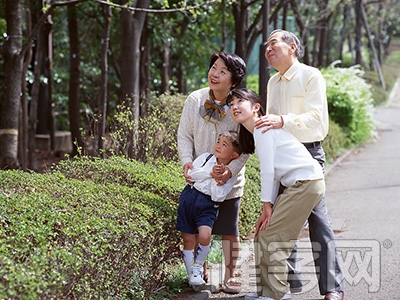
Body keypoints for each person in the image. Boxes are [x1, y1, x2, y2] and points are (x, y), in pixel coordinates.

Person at [254, 29, 344, 300]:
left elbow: (317, 121)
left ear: (292, 46)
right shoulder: (272, 82)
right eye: (266, 45)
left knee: (318, 222)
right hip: (283, 158)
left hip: (308, 156)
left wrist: (283, 120)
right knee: (282, 219)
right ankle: (289, 285)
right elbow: (269, 125)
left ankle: (332, 288)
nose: (268, 49)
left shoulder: (310, 75)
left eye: (273, 43)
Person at [227, 88, 325, 300]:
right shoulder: (258, 132)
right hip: (299, 185)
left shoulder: (263, 129)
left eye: (239, 101)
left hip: (306, 183)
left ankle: (277, 293)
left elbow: (269, 172)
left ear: (256, 107)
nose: (234, 106)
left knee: (273, 237)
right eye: (231, 103)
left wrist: (267, 205)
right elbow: (273, 176)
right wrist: (267, 205)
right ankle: (266, 290)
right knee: (263, 234)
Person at [177, 51, 248, 294]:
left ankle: (230, 276)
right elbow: (184, 135)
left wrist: (230, 171)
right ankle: (200, 270)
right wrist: (187, 162)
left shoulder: (239, 106)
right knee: (198, 231)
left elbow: (248, 147)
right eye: (213, 68)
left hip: (227, 183)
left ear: (234, 81)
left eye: (222, 71)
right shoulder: (195, 99)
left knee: (229, 231)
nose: (214, 74)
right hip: (198, 180)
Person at [176, 131, 242, 289]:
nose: (218, 146)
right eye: (218, 141)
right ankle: (191, 272)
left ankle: (198, 267)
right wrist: (210, 173)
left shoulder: (231, 174)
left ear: (233, 155)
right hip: (189, 199)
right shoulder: (205, 157)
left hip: (208, 204)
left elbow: (218, 196)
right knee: (189, 239)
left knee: (205, 235)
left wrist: (217, 180)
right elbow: (191, 175)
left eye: (224, 144)